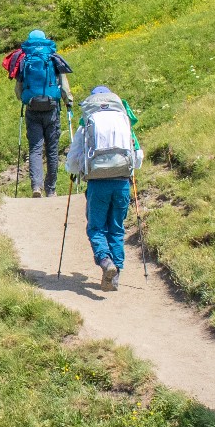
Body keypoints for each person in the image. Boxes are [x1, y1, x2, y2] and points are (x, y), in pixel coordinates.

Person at [64, 84, 142, 289]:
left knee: (96, 227)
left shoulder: (87, 124)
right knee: (116, 229)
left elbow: (73, 161)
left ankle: (105, 261)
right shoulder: (123, 121)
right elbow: (138, 157)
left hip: (97, 183)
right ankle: (115, 275)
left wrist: (74, 170)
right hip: (122, 182)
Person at [3, 29, 73, 196]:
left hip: (33, 109)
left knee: (35, 148)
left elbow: (18, 90)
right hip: (52, 109)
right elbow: (64, 86)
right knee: (52, 149)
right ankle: (51, 190)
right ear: (45, 40)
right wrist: (68, 101)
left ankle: (36, 187)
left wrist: (26, 99)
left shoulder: (24, 59)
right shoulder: (52, 58)